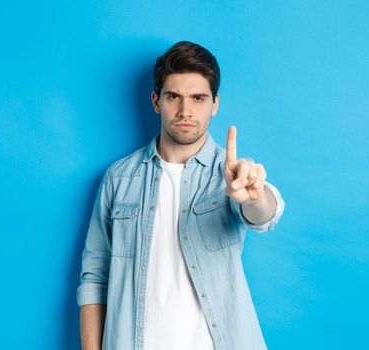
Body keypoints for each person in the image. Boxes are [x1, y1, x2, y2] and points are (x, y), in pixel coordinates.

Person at [77, 41, 286, 350]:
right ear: (156, 101)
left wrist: (254, 197)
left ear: (214, 104)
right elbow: (95, 278)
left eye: (198, 98)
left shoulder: (232, 174)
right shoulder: (118, 178)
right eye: (174, 96)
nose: (185, 111)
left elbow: (265, 215)